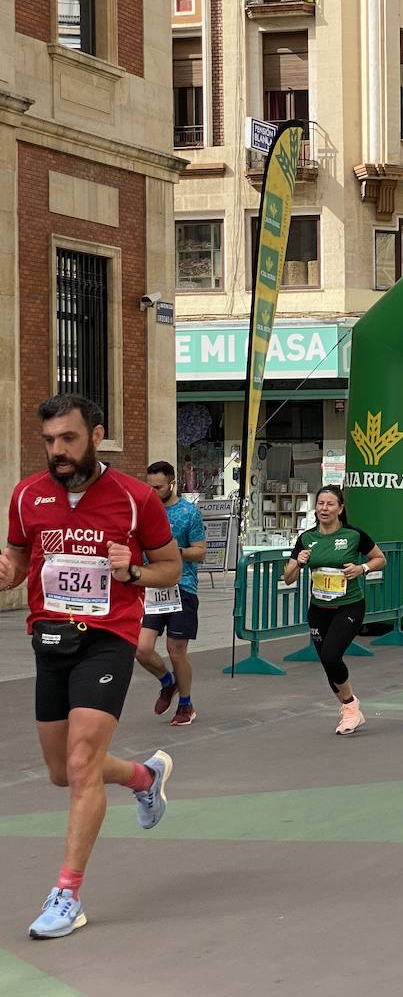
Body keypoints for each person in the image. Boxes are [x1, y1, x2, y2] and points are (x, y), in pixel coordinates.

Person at [1, 394, 181, 939]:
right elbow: (17, 566)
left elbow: (170, 568)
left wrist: (133, 574)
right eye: (49, 441)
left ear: (96, 434)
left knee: (82, 762)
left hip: (107, 639)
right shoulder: (27, 495)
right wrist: (5, 571)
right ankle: (144, 776)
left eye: (69, 439)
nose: (57, 451)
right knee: (63, 772)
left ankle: (67, 894)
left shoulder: (135, 498)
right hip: (49, 639)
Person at [282, 485, 386, 736]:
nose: (324, 509)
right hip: (319, 609)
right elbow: (287, 578)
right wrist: (299, 562)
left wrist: (362, 569)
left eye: (330, 504)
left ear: (340, 509)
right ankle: (350, 709)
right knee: (328, 663)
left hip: (349, 605)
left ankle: (350, 707)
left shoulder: (353, 535)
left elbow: (380, 558)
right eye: (320, 504)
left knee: (330, 655)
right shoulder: (306, 539)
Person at [134, 462, 207, 727]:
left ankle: (186, 704)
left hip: (182, 586)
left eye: (159, 487)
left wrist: (179, 553)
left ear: (172, 483)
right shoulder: (142, 511)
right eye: (149, 487)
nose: (153, 492)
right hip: (151, 586)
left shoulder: (189, 513)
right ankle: (168, 682)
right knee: (141, 649)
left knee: (175, 649)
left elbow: (200, 551)